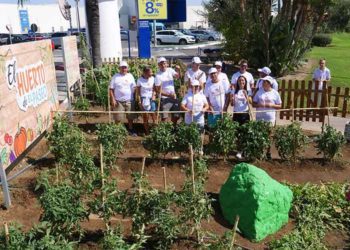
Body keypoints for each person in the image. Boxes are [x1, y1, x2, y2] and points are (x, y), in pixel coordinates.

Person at [253, 76, 282, 159]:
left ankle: (268, 152)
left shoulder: (275, 93)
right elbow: (254, 104)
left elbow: (280, 105)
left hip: (270, 118)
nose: (263, 83)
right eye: (263, 82)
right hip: (259, 118)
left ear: (270, 84)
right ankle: (260, 151)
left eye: (266, 82)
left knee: (269, 135)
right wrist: (259, 105)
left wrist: (272, 105)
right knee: (260, 135)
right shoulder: (259, 92)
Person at [109, 61, 137, 136]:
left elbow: (134, 87)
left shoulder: (130, 76)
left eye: (125, 67)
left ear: (127, 68)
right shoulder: (115, 77)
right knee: (118, 117)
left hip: (129, 100)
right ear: (119, 68)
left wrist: (136, 95)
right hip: (118, 101)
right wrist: (113, 99)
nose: (124, 69)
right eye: (122, 67)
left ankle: (131, 129)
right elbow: (111, 89)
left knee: (130, 116)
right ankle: (117, 131)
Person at [154, 57, 181, 124]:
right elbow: (158, 90)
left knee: (176, 115)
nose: (163, 65)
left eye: (164, 63)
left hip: (173, 97)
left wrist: (178, 70)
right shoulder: (158, 75)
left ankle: (173, 127)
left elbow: (177, 76)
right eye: (161, 64)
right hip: (164, 99)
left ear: (166, 64)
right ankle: (164, 130)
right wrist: (169, 95)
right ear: (159, 65)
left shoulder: (170, 70)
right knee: (164, 117)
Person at [136, 66, 157, 135]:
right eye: (150, 72)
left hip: (151, 98)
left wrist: (154, 95)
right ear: (145, 73)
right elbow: (138, 92)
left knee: (153, 114)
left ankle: (155, 131)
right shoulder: (140, 80)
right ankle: (147, 132)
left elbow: (154, 89)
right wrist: (139, 101)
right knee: (145, 116)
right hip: (144, 99)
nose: (151, 73)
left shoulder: (153, 79)